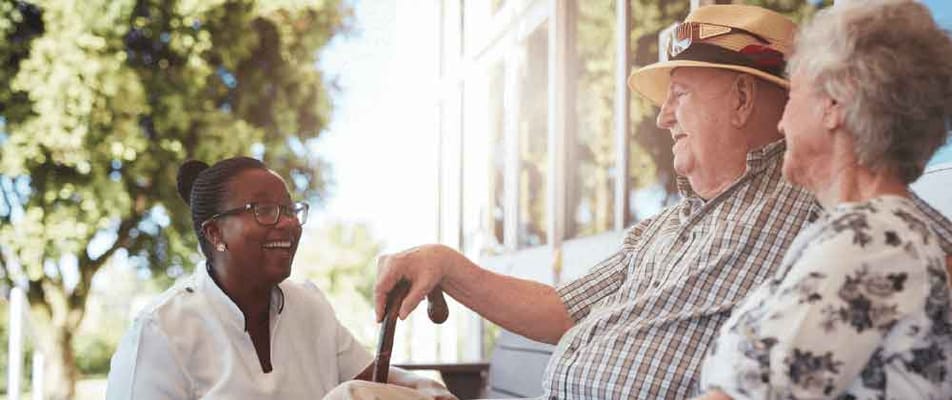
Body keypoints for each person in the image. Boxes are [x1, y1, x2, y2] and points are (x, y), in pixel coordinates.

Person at [369, 4, 952, 399]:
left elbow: (907, 238)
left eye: (679, 95)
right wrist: (448, 262)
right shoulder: (667, 228)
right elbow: (565, 309)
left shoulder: (844, 221)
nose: (662, 116)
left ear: (747, 99)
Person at [696, 1, 952, 398]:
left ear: (833, 104)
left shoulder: (871, 243)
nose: (781, 121)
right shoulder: (874, 236)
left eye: (793, 94)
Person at [105, 157, 454, 399]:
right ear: (214, 233)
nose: (288, 223)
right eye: (264, 210)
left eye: (290, 209)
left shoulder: (309, 305)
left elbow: (372, 382)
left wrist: (428, 392)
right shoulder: (160, 333)